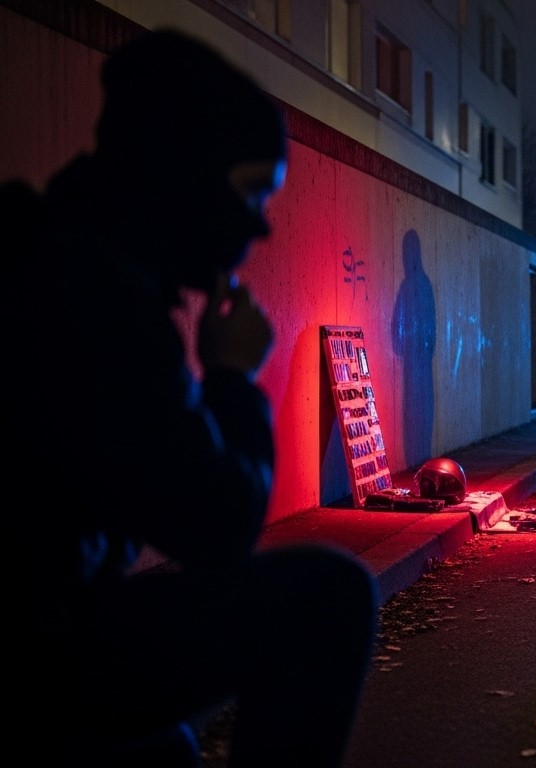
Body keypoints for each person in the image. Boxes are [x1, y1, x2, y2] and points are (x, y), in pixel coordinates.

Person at [8, 30, 378, 765]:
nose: (260, 224)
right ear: (184, 175)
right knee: (325, 599)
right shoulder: (89, 295)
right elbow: (216, 525)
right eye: (249, 192)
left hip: (51, 626)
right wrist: (233, 378)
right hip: (32, 647)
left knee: (165, 748)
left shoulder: (55, 252)